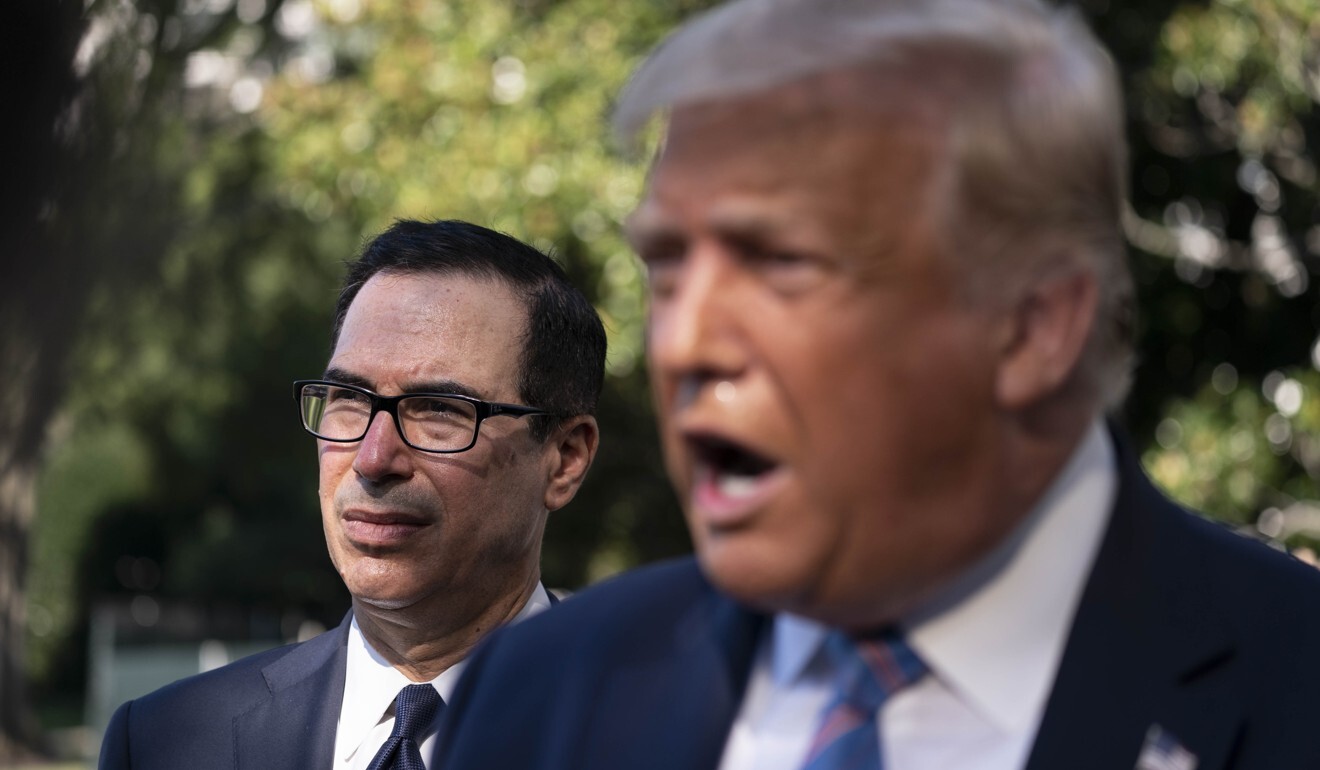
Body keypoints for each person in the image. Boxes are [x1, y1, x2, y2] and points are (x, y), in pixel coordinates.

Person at [433, 1, 1320, 768]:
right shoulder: (541, 694)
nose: (684, 342)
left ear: (1035, 324)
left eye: (780, 262)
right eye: (667, 270)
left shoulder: (1289, 682)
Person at [98, 219, 606, 769]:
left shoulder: (671, 737)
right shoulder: (162, 743)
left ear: (564, 459)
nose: (372, 458)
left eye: (440, 409)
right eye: (348, 398)